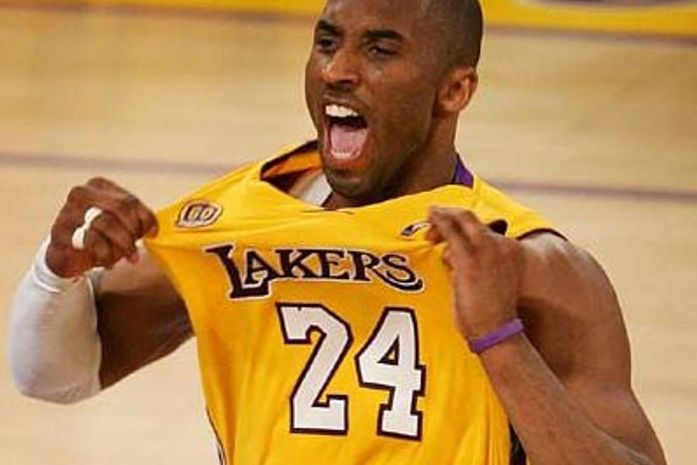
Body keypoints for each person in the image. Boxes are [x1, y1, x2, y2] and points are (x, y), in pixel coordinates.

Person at [8, 0, 666, 464]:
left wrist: (501, 341)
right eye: (326, 42)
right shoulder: (236, 222)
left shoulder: (525, 260)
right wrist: (58, 272)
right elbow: (56, 374)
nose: (336, 70)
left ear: (455, 90)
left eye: (380, 49)